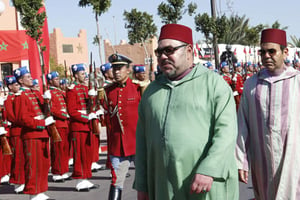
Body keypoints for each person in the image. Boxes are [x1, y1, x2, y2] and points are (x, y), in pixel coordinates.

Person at [134, 23, 238, 200]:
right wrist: (142, 185)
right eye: (159, 52)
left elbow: (227, 133)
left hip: (206, 185)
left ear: (189, 51)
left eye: (169, 50)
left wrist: (209, 168)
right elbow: (142, 143)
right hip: (163, 186)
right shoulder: (151, 92)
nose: (163, 56)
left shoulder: (213, 85)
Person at [236, 28, 300, 200]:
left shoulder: (297, 81)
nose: (266, 56)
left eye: (272, 51)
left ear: (285, 52)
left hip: (293, 160)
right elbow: (242, 124)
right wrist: (241, 160)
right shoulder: (251, 84)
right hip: (261, 161)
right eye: (262, 52)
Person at [103, 53, 141, 200]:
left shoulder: (138, 88)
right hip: (118, 145)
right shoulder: (108, 91)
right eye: (114, 68)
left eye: (120, 68)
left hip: (138, 143)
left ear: (128, 70)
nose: (117, 71)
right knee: (116, 182)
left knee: (145, 181)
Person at [13, 66, 55, 200]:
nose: (31, 78)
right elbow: (23, 119)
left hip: (42, 133)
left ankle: (40, 190)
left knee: (43, 164)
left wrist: (48, 100)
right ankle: (33, 192)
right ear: (21, 81)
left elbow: (45, 108)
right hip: (32, 134)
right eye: (28, 77)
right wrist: (42, 123)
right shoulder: (21, 96)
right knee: (33, 164)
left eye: (31, 76)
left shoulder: (35, 93)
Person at [66, 63, 99, 191]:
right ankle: (80, 180)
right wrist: (86, 117)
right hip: (78, 126)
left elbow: (91, 106)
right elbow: (72, 111)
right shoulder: (72, 90)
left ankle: (86, 177)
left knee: (87, 153)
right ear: (75, 75)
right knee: (79, 154)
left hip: (88, 126)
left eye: (85, 73)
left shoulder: (85, 88)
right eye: (82, 73)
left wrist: (93, 97)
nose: (84, 75)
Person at [45, 71, 71, 182]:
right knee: (57, 149)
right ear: (50, 81)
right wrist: (65, 114)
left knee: (65, 148)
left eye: (58, 78)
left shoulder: (59, 92)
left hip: (64, 124)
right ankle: (56, 172)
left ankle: (64, 170)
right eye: (55, 79)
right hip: (58, 123)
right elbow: (52, 109)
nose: (58, 80)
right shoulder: (49, 93)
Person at [4, 75, 25, 193]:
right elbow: (12, 117)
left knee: (25, 157)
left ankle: (24, 180)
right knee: (18, 158)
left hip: (23, 130)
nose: (18, 86)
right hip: (16, 131)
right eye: (16, 85)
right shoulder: (9, 99)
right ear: (10, 87)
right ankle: (17, 182)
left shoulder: (20, 96)